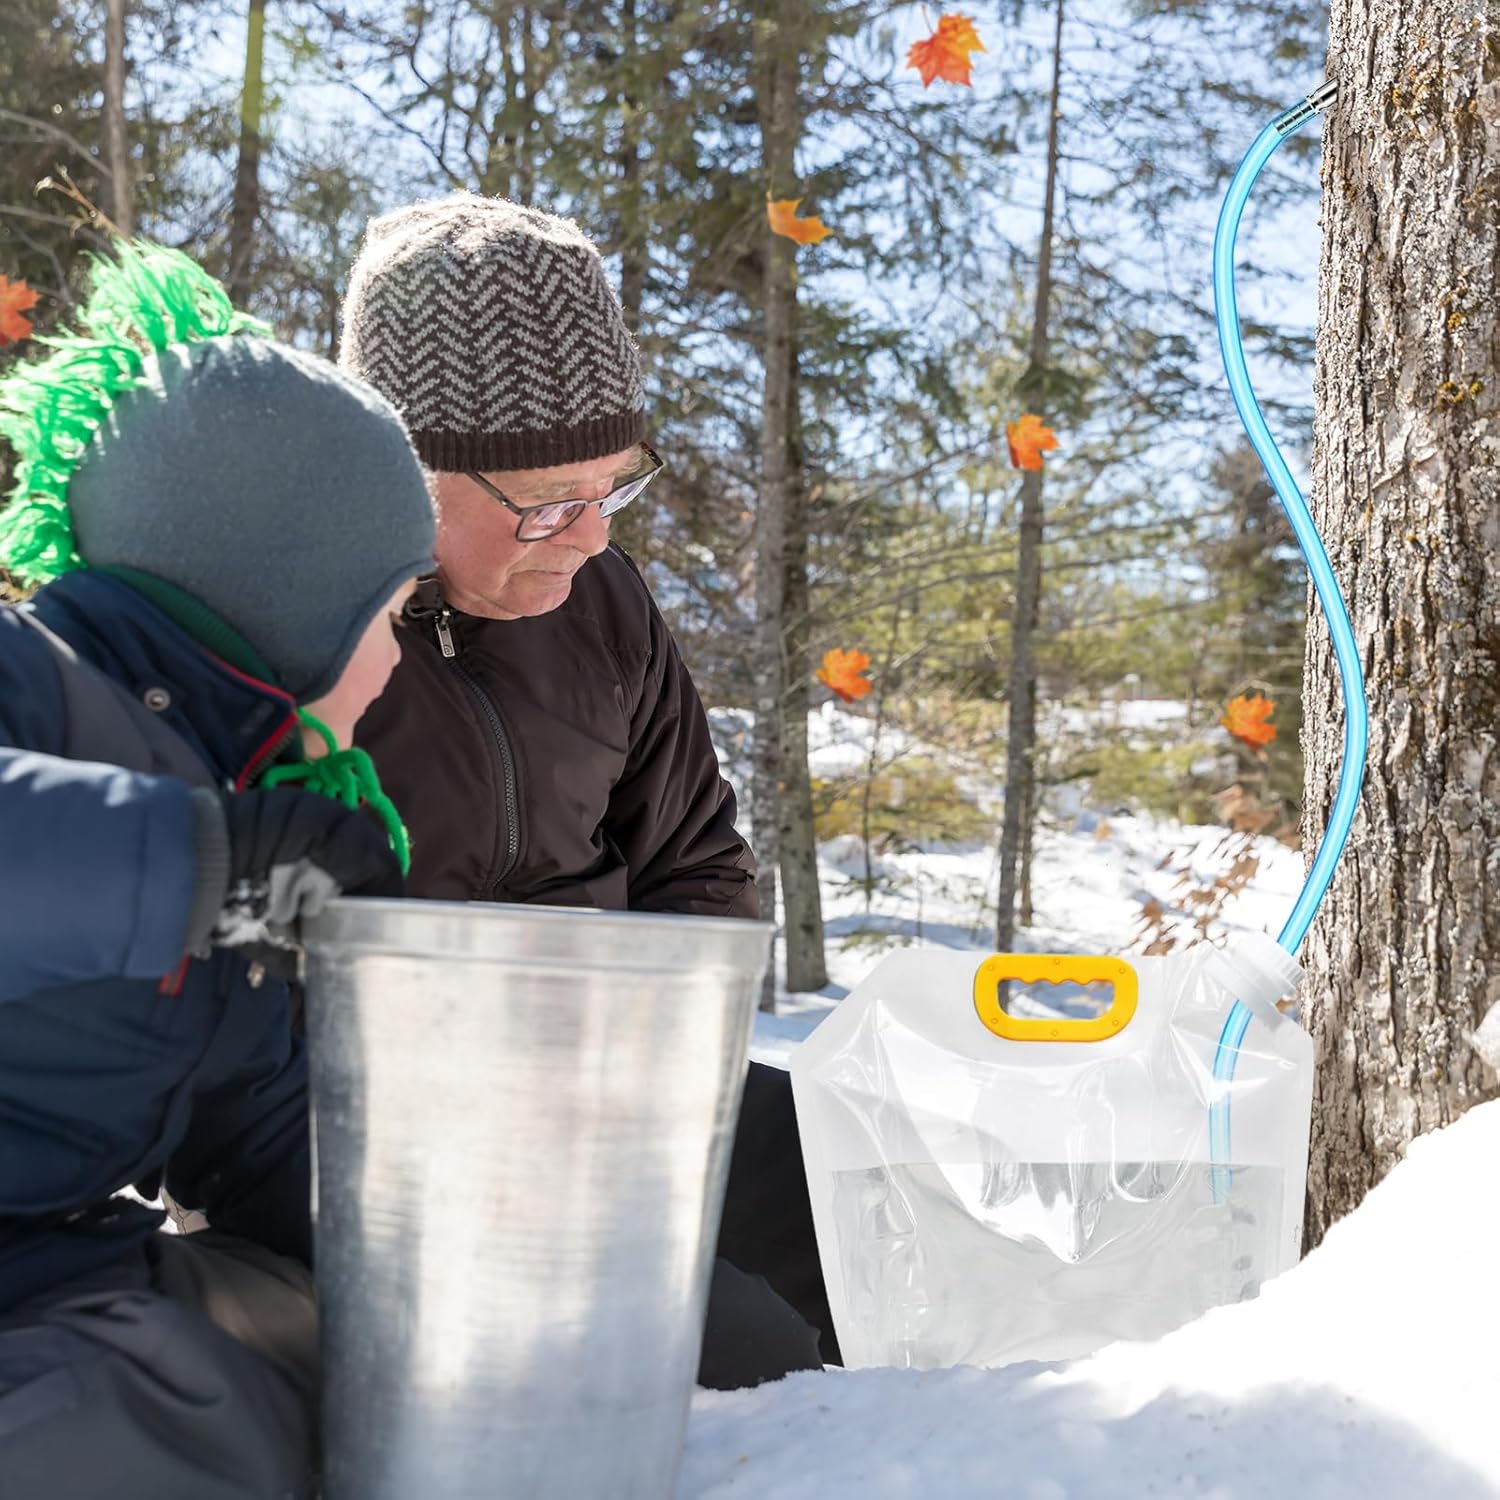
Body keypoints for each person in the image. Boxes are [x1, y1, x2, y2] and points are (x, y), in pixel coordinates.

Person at [340, 194, 838, 1383]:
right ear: (403, 471)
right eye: (545, 505)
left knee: (856, 1200)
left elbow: (693, 863)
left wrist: (656, 1068)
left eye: (609, 489)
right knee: (747, 1364)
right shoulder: (307, 632)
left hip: (618, 1094)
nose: (587, 540)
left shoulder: (604, 606)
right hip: (389, 1144)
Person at [0, 242, 436, 1499]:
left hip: (48, 1268)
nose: (400, 664)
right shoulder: (33, 685)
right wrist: (207, 872)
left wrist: (432, 1248)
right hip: (43, 1333)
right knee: (132, 1416)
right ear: (286, 605)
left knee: (301, 1345)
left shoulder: (235, 794)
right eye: (392, 616)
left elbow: (253, 1133)